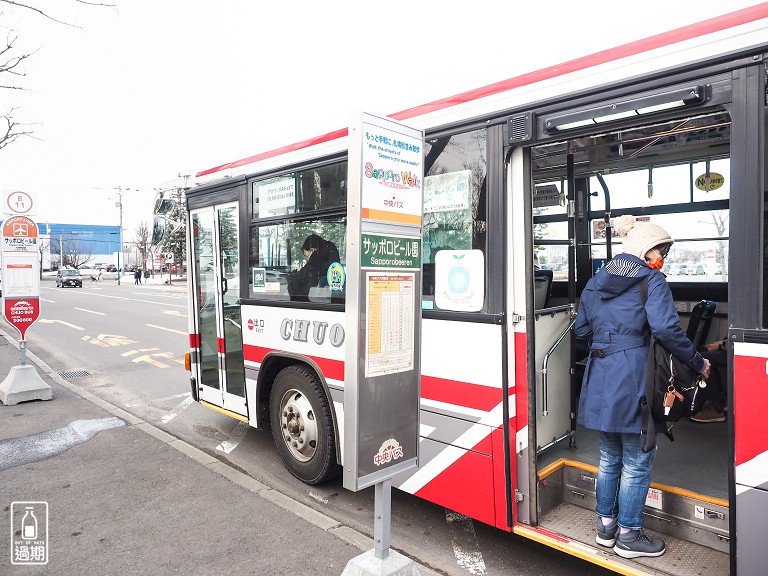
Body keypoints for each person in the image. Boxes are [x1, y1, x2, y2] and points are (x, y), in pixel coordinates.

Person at [575, 214, 711, 559]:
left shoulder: (595, 282)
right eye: (660, 251)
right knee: (637, 460)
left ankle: (605, 529)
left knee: (609, 457)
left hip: (601, 373)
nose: (661, 258)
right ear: (645, 251)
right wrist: (698, 362)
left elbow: (581, 332)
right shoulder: (652, 282)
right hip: (635, 375)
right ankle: (629, 536)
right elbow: (667, 330)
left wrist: (608, 342)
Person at [287, 234, 340, 302]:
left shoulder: (316, 261)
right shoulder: (333, 263)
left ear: (312, 250)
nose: (307, 260)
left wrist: (292, 277)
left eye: (306, 256)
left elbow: (299, 287)